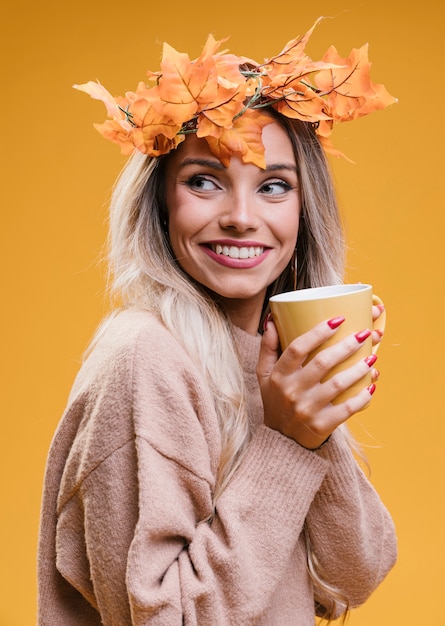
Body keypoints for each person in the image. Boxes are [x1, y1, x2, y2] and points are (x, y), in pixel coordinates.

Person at [38, 20, 397, 626]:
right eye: (204, 181)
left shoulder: (270, 360)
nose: (240, 217)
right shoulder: (143, 358)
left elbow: (355, 573)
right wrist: (284, 443)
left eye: (274, 186)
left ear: (305, 210)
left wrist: (312, 424)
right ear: (160, 201)